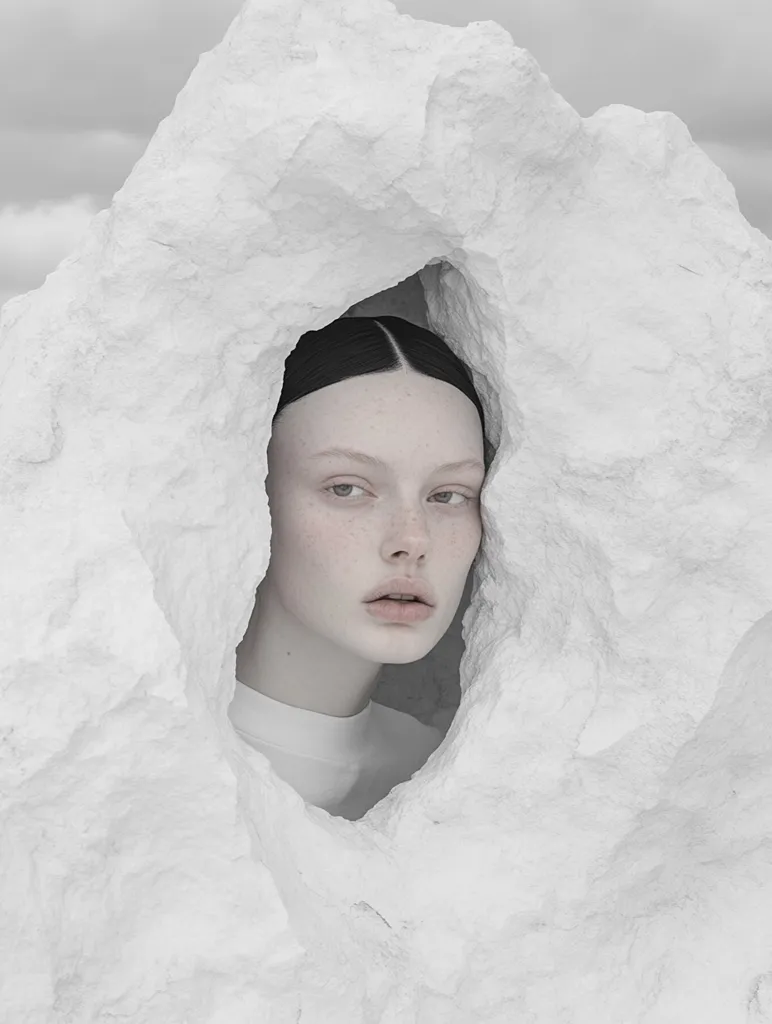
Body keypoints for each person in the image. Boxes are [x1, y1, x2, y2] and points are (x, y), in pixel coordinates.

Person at [229, 315, 493, 819]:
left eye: (448, 495)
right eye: (346, 488)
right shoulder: (147, 757)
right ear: (253, 494)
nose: (411, 541)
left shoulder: (448, 774)